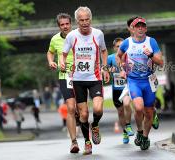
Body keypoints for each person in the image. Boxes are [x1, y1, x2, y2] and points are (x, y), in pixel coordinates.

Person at [61, 6, 110, 155]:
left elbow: (103, 50)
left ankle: (95, 125)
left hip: (94, 77)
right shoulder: (71, 36)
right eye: (81, 20)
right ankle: (87, 142)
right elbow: (63, 54)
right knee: (83, 115)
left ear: (91, 19)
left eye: (87, 19)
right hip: (77, 79)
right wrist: (63, 62)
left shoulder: (98, 34)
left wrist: (105, 67)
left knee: (98, 109)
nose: (84, 23)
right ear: (77, 21)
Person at [116, 17, 163, 150]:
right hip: (134, 81)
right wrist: (122, 69)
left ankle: (145, 137)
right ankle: (140, 131)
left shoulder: (151, 41)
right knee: (138, 107)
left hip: (148, 81)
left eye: (143, 26)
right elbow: (118, 56)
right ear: (133, 29)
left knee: (148, 112)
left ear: (146, 29)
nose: (141, 28)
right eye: (138, 26)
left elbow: (160, 62)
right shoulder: (127, 42)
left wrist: (151, 55)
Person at [47, 13, 79, 153]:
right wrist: (51, 61)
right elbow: (50, 52)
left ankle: (85, 129)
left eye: (67, 24)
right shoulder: (55, 39)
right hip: (65, 76)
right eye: (62, 24)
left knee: (81, 110)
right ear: (59, 26)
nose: (65, 26)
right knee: (70, 108)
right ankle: (73, 142)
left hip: (81, 76)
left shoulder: (79, 36)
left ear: (71, 24)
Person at [107, 37, 134, 144]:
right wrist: (109, 69)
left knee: (127, 104)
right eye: (118, 46)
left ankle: (128, 125)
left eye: (122, 46)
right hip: (116, 89)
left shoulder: (130, 57)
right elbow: (103, 68)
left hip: (127, 87)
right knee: (120, 111)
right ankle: (124, 131)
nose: (120, 48)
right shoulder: (110, 58)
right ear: (114, 48)